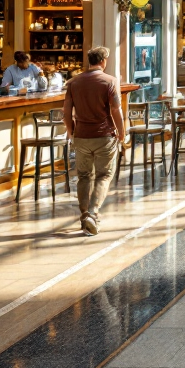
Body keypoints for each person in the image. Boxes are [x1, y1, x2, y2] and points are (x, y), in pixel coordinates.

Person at [62, 47, 125, 236]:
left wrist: (72, 131)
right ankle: (93, 213)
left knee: (83, 176)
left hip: (81, 135)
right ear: (104, 60)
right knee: (103, 175)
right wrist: (122, 132)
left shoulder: (74, 82)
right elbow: (116, 110)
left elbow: (66, 113)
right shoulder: (110, 81)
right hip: (104, 135)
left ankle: (84, 216)